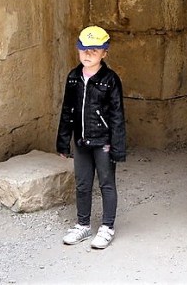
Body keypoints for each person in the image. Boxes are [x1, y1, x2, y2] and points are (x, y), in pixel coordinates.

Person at [56, 25, 126, 249]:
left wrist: (118, 148)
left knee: (106, 183)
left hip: (103, 141)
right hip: (81, 141)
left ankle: (107, 226)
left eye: (94, 50)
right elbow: (67, 111)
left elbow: (117, 116)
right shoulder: (73, 77)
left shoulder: (110, 80)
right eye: (84, 49)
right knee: (82, 184)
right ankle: (83, 224)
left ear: (104, 53)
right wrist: (63, 142)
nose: (88, 54)